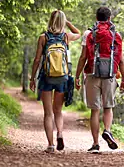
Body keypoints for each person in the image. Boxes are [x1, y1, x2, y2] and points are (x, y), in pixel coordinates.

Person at [75, 7, 124, 153]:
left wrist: (77, 75)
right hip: (110, 75)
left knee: (95, 111)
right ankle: (108, 130)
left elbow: (83, 57)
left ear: (96, 18)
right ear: (109, 18)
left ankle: (96, 144)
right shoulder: (116, 34)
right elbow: (121, 60)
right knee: (108, 107)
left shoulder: (89, 34)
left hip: (91, 74)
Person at [30, 10, 81, 153]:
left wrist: (32, 78)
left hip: (46, 77)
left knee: (48, 113)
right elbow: (78, 33)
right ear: (62, 22)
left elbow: (37, 60)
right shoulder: (66, 36)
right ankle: (59, 133)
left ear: (50, 20)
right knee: (58, 111)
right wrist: (67, 23)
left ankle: (51, 145)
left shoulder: (43, 37)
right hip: (62, 78)